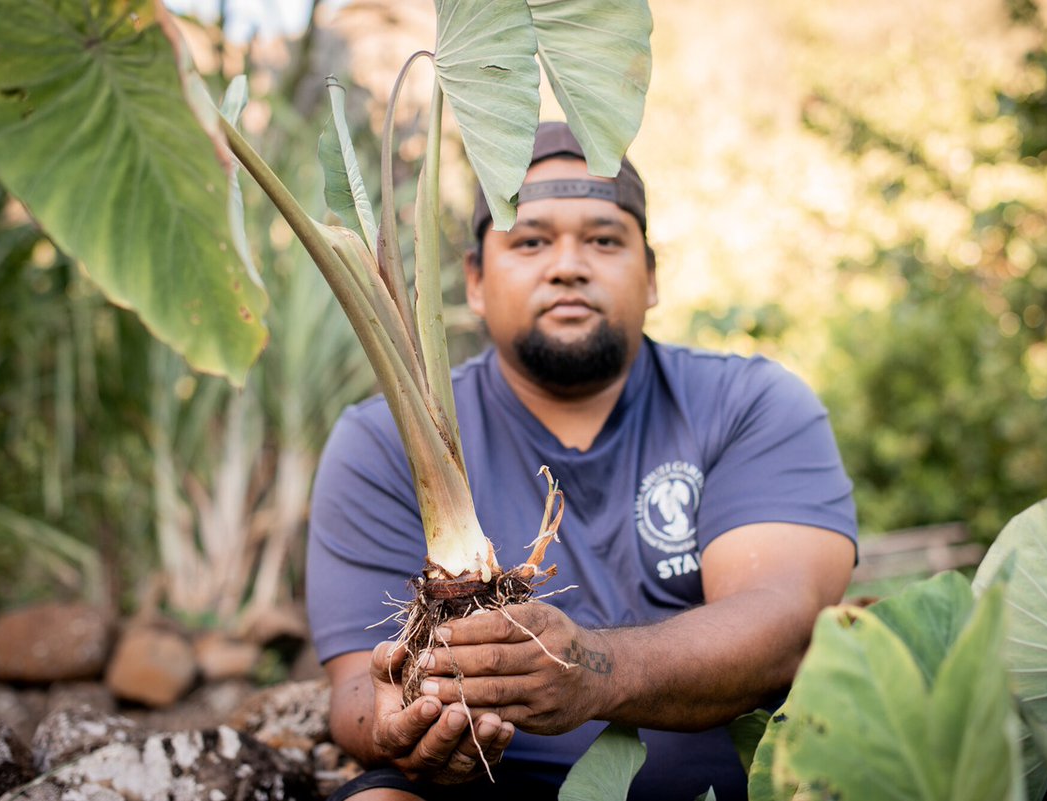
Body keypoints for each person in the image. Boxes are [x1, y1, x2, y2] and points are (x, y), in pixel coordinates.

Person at [306, 122, 857, 800]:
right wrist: (398, 722)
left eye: (603, 239)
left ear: (651, 277)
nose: (568, 265)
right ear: (474, 281)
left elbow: (784, 620)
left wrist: (594, 672)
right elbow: (357, 690)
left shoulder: (750, 403)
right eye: (530, 240)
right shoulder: (382, 440)